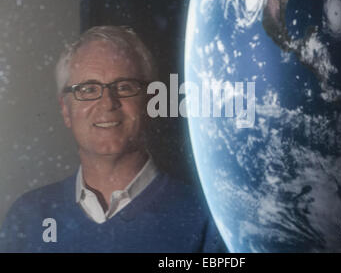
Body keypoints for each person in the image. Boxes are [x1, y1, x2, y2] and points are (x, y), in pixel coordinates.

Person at [0, 26, 226, 253]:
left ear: (150, 103)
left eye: (124, 87)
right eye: (88, 89)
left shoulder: (207, 218)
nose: (108, 103)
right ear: (66, 111)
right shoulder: (27, 217)